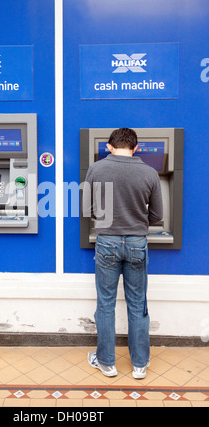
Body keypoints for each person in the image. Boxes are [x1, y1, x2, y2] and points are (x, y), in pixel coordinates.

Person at [83, 127, 163, 379]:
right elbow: (158, 215)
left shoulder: (97, 169)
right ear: (135, 147)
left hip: (107, 242)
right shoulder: (150, 172)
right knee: (137, 303)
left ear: (109, 146)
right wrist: (137, 221)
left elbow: (87, 208)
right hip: (138, 243)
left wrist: (108, 219)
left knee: (105, 303)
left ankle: (106, 363)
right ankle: (140, 365)